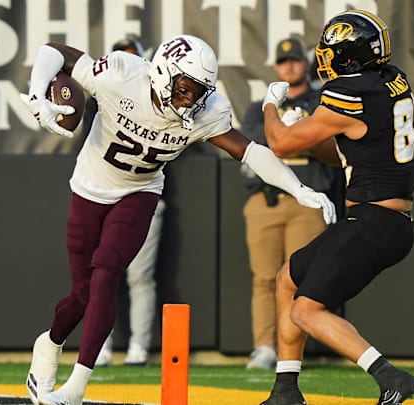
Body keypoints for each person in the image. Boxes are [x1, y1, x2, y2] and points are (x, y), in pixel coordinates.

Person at [20, 34, 337, 405]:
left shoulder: (205, 112)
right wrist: (39, 93)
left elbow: (249, 152)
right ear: (163, 74)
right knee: (82, 294)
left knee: (107, 271)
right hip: (90, 188)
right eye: (185, 88)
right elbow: (55, 51)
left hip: (140, 193)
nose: (190, 101)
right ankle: (50, 343)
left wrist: (298, 188)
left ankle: (76, 386)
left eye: (199, 92)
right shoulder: (122, 74)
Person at [258, 10, 414, 405]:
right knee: (287, 279)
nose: (326, 60)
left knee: (305, 311)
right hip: (382, 219)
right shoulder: (390, 81)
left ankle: (388, 376)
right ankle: (286, 390)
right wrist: (313, 136)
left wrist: (270, 105)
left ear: (349, 57)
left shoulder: (350, 92)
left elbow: (279, 144)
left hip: (374, 219)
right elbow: (346, 155)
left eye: (333, 53)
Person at [239, 37, 344, 370]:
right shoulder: (258, 107)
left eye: (295, 61)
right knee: (263, 278)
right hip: (266, 199)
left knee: (299, 277)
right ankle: (264, 347)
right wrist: (292, 136)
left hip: (309, 197)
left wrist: (286, 139)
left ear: (305, 64)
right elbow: (255, 142)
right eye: (283, 62)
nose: (290, 67)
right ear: (275, 67)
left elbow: (321, 139)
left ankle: (291, 350)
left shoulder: (321, 100)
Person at [93, 37, 160, 368]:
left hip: (142, 196)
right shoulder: (104, 94)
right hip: (103, 195)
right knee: (102, 273)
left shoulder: (164, 101)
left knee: (139, 276)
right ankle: (99, 344)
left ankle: (139, 346)